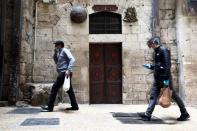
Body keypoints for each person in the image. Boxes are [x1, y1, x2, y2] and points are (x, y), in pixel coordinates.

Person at [139, 36, 190, 121]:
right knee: (153, 95)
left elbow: (166, 66)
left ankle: (184, 113)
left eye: (151, 44)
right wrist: (151, 66)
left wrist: (166, 81)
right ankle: (148, 115)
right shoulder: (157, 51)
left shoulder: (163, 50)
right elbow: (159, 65)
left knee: (173, 95)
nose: (151, 47)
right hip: (157, 78)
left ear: (155, 43)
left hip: (164, 78)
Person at [41, 41, 79, 112]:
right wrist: (55, 53)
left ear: (60, 45)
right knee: (69, 90)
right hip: (62, 73)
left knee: (54, 88)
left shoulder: (65, 50)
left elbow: (72, 59)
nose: (55, 46)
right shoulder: (59, 53)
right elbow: (56, 62)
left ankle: (50, 107)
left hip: (64, 73)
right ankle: (75, 106)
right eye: (55, 45)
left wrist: (68, 70)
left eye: (56, 45)